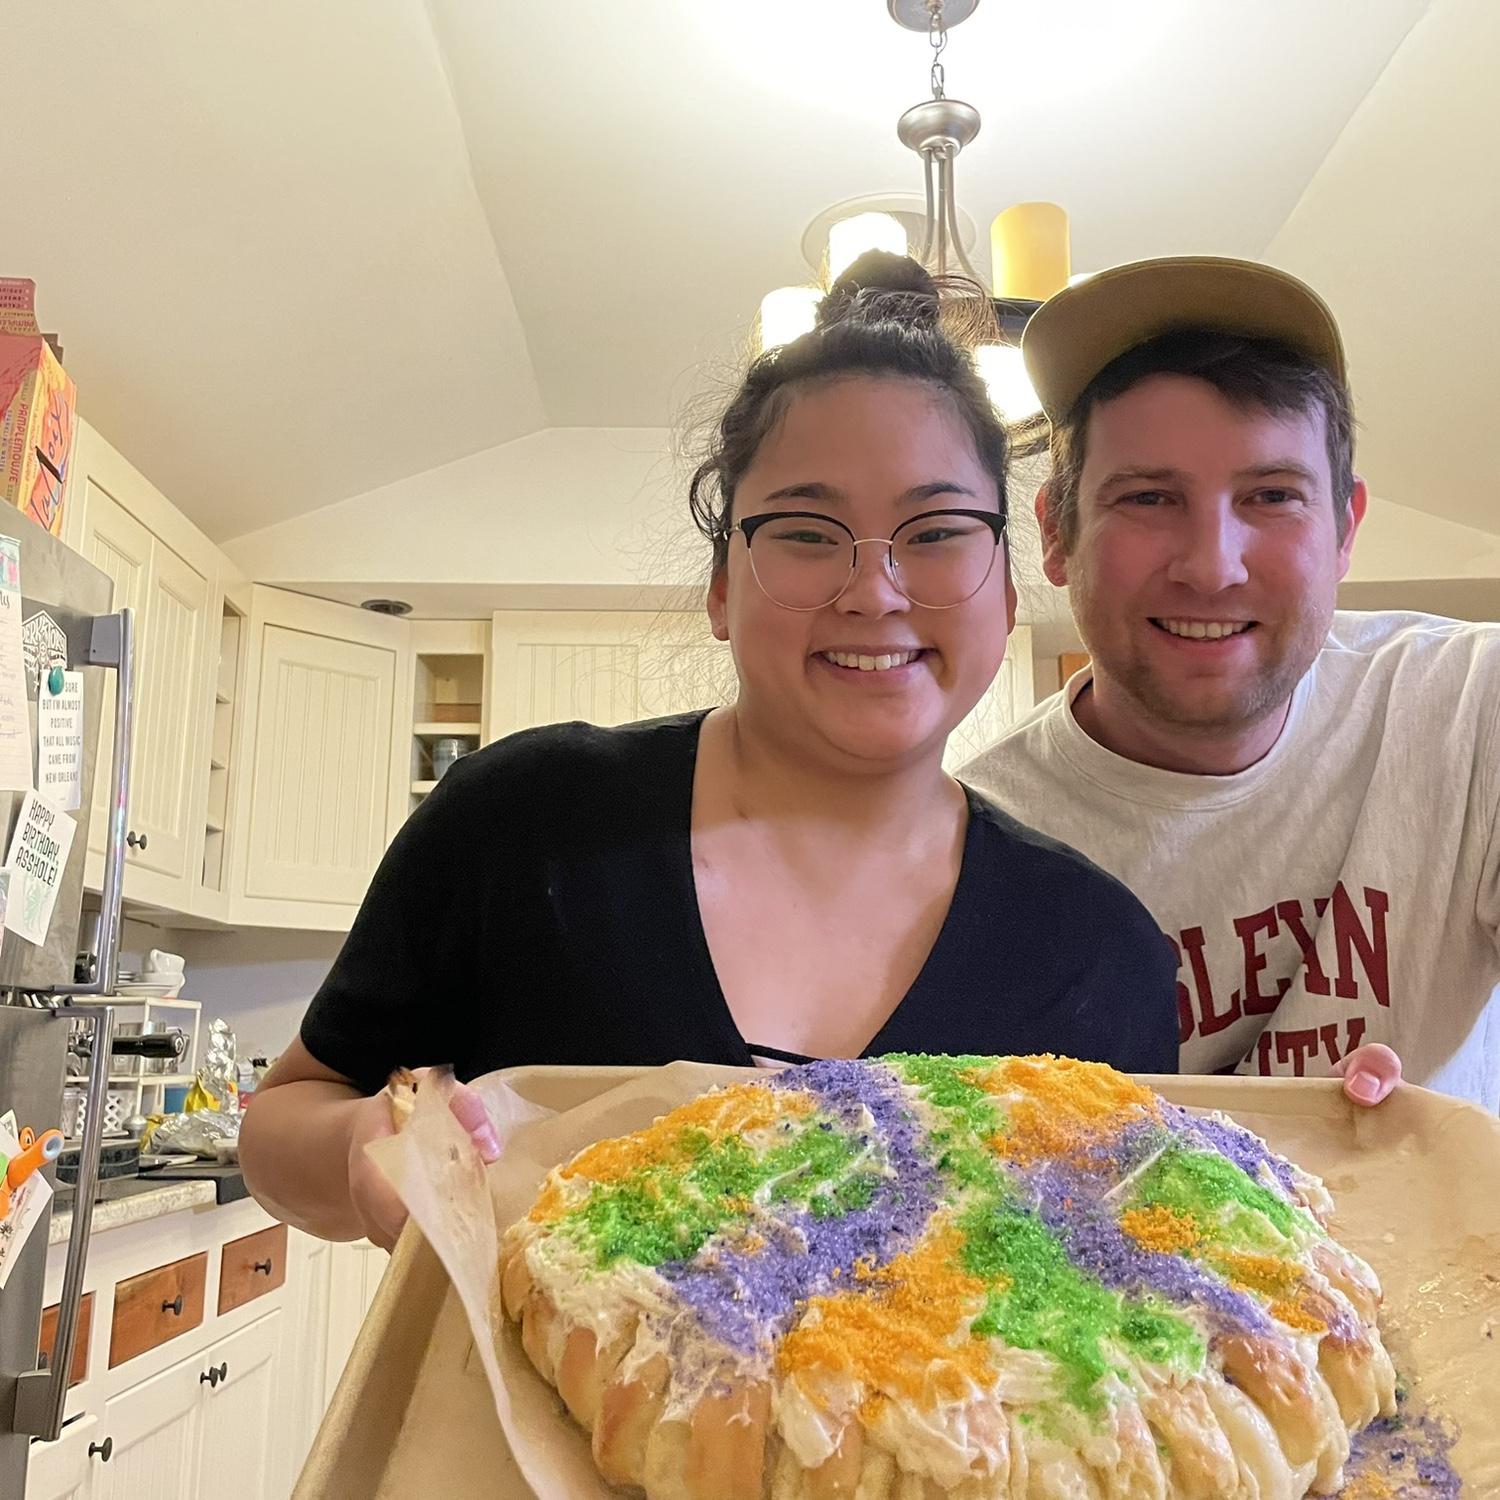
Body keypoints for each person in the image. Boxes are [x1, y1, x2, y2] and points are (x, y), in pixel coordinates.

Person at [241, 253, 1181, 1250]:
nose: (875, 592)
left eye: (938, 531)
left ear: (1007, 587)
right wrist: (363, 1151)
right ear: (722, 588)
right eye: (807, 533)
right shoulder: (523, 824)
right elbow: (288, 1115)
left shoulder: (1098, 949)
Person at [964, 256, 1500, 1111]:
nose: (1212, 568)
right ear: (1057, 536)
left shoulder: (1470, 706)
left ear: (1344, 529)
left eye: (1273, 495)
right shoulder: (968, 854)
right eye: (1148, 498)